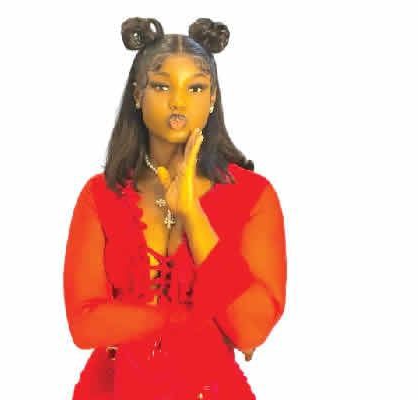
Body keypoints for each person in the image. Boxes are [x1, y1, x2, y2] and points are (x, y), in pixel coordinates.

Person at [63, 17, 287, 399]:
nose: (178, 101)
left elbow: (250, 329)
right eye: (162, 86)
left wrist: (192, 214)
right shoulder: (100, 195)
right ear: (138, 94)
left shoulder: (253, 196)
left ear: (213, 98)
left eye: (195, 88)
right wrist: (190, 319)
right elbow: (85, 326)